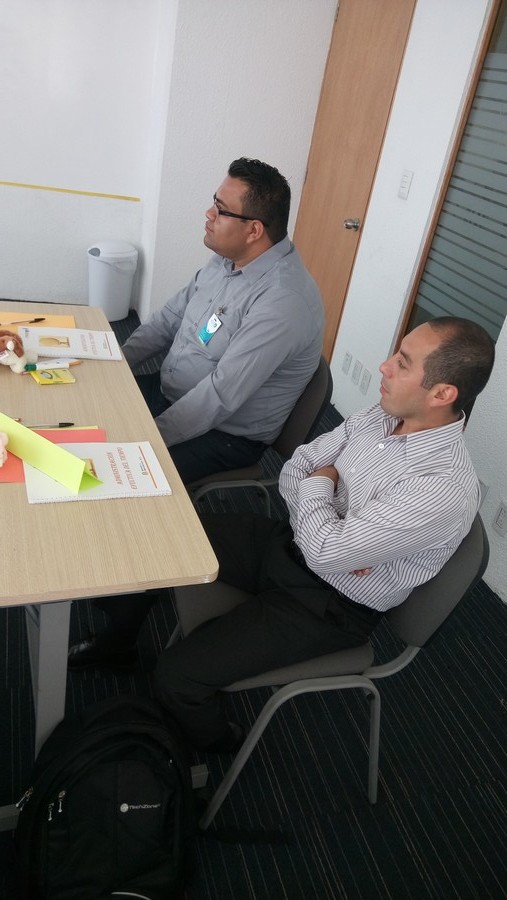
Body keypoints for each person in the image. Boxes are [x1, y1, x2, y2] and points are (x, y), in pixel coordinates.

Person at [69, 317, 495, 755]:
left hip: (328, 604)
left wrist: (323, 486)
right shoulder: (383, 415)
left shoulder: (442, 486)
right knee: (156, 536)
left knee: (177, 677)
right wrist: (332, 517)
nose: (385, 367)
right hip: (284, 543)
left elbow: (325, 548)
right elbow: (296, 468)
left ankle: (219, 744)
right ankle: (117, 645)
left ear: (442, 394)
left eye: (403, 364)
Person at [122, 156, 324, 484]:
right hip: (173, 393)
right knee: (94, 405)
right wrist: (116, 364)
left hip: (224, 433)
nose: (209, 214)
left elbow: (220, 395)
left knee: (125, 472)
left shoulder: (283, 302)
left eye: (221, 209)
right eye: (213, 202)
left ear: (253, 230)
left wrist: (147, 438)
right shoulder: (227, 258)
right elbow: (168, 319)